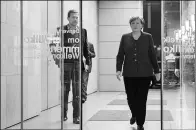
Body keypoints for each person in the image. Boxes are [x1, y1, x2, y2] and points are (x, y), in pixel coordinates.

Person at [116, 16, 160, 130]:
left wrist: (156, 70)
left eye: (137, 23)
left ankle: (140, 123)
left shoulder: (148, 37)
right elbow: (120, 55)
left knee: (141, 99)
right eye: (133, 23)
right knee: (130, 98)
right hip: (129, 73)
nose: (135, 25)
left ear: (142, 25)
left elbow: (152, 55)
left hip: (145, 74)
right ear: (130, 25)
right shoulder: (125, 37)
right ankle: (134, 114)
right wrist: (118, 69)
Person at [52, 9, 90, 124]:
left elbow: (85, 48)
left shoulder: (83, 31)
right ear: (68, 18)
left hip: (78, 64)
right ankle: (63, 114)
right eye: (73, 17)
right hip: (66, 63)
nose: (76, 19)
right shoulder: (60, 30)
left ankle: (76, 116)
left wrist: (87, 63)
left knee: (77, 91)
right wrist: (57, 57)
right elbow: (53, 44)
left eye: (77, 17)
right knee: (65, 90)